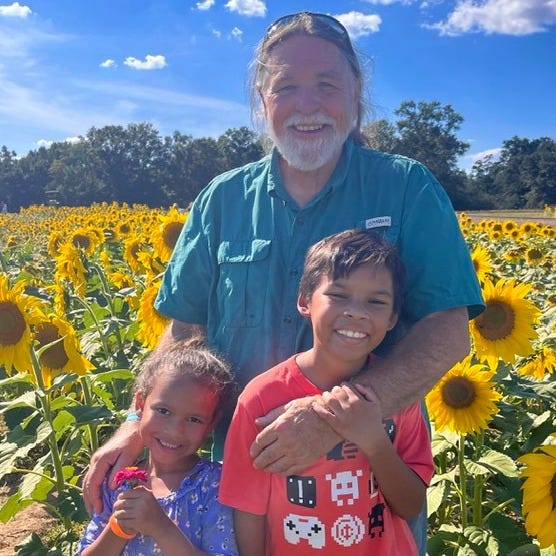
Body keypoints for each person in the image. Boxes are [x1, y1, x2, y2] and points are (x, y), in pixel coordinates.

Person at [83, 11, 484, 554]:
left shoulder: (405, 187)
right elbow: (185, 331)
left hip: (367, 491)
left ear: (356, 91)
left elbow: (447, 331)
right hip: (246, 486)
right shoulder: (222, 199)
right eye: (286, 86)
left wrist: (332, 419)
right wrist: (137, 422)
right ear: (261, 98)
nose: (307, 104)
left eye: (326, 84)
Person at [220, 229, 434, 555]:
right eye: (338, 295)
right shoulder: (263, 398)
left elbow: (410, 505)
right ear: (305, 301)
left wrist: (375, 441)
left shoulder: (400, 396)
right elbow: (248, 509)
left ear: (392, 318)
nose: (357, 312)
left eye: (375, 301)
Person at [77, 337, 238, 556]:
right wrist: (118, 528)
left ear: (212, 423)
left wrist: (162, 528)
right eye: (163, 411)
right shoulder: (119, 481)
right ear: (141, 404)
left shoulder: (215, 487)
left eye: (194, 419)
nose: (174, 430)